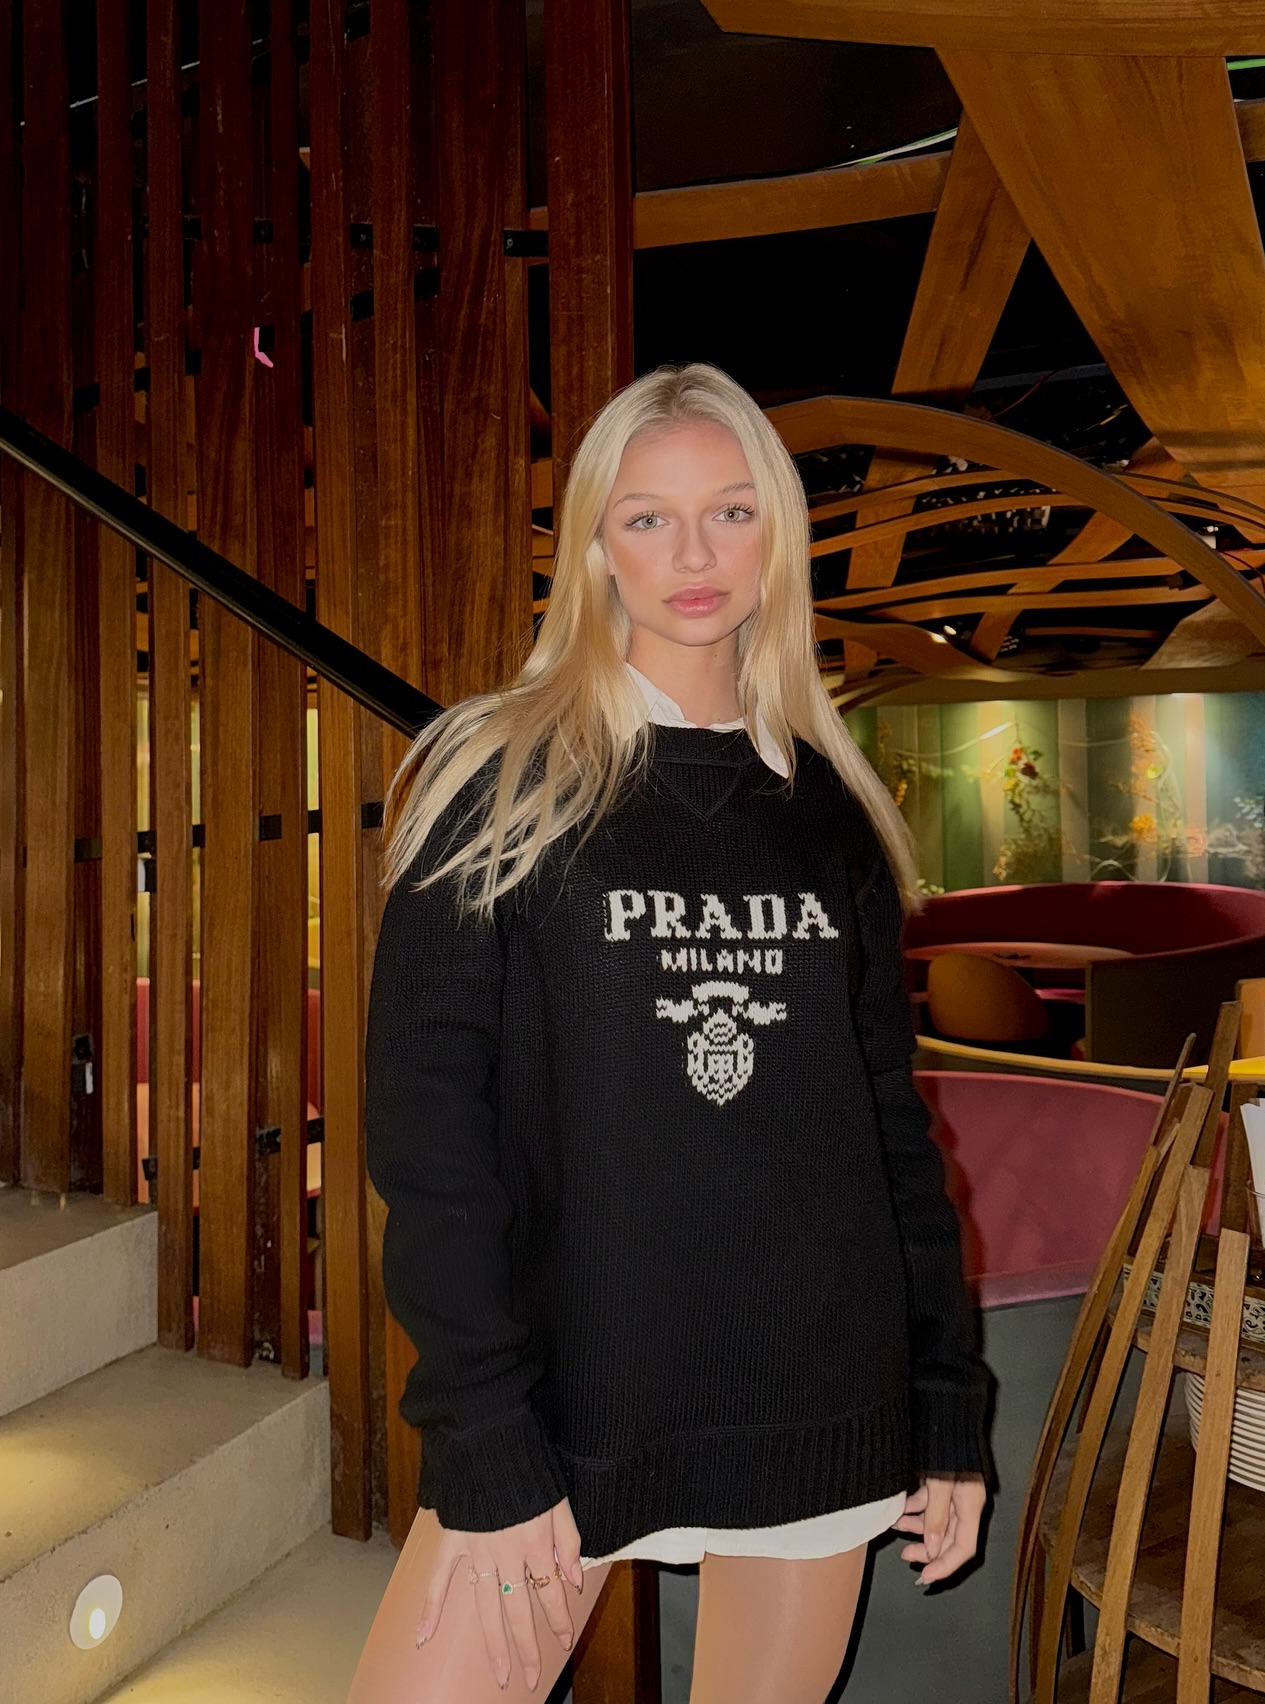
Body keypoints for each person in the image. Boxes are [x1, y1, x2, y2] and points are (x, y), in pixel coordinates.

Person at [347, 363, 995, 1704]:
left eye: (730, 512)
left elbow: (889, 1132)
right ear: (598, 546)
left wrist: (947, 1400)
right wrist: (480, 1424)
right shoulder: (496, 778)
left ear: (777, 539)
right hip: (572, 1398)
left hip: (820, 1388)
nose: (694, 555)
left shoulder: (833, 811)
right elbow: (429, 1139)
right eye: (649, 517)